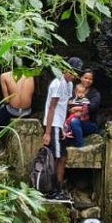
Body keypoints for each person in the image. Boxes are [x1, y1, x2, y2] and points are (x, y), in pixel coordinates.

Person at [42, 56, 83, 200]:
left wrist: (64, 127)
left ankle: (58, 188)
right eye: (72, 71)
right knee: (55, 157)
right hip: (52, 125)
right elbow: (52, 108)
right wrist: (47, 133)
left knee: (63, 157)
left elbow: (64, 107)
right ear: (65, 69)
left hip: (59, 125)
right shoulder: (58, 83)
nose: (73, 75)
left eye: (76, 72)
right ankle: (52, 190)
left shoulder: (70, 85)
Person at [0, 67, 35, 156]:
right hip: (27, 112)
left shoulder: (4, 76)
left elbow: (6, 100)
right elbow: (31, 94)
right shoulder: (30, 76)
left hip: (12, 111)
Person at [66, 68, 100, 147]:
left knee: (74, 121)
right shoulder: (73, 91)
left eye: (90, 79)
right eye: (85, 78)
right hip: (70, 121)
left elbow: (93, 106)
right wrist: (71, 111)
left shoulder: (95, 93)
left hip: (89, 124)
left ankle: (80, 147)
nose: (87, 81)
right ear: (81, 78)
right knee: (71, 122)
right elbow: (66, 105)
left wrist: (79, 109)